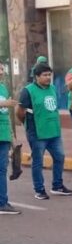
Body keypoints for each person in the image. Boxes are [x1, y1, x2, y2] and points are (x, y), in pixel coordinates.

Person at [16, 64, 72, 200]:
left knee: (60, 157)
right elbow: (20, 111)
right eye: (45, 75)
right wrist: (27, 124)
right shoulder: (28, 91)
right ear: (37, 77)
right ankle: (39, 189)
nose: (48, 78)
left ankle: (57, 185)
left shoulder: (52, 88)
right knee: (38, 161)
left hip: (53, 131)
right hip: (37, 133)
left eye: (49, 75)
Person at [0, 63, 21, 214]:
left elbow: (5, 115)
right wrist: (3, 103)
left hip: (3, 135)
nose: (1, 72)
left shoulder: (3, 88)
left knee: (2, 169)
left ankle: (2, 202)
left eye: (2, 69)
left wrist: (12, 137)